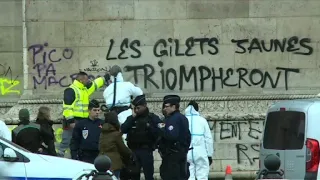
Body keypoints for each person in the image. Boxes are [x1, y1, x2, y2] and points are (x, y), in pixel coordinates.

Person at [58, 71, 109, 157]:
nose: (88, 81)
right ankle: (58, 158)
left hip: (83, 121)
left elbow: (95, 84)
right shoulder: (71, 90)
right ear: (81, 80)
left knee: (80, 141)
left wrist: (105, 78)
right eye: (86, 79)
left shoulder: (84, 89)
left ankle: (77, 158)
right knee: (67, 141)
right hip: (73, 121)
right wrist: (71, 121)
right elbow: (67, 107)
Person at [121, 94, 162, 180]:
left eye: (138, 108)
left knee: (148, 175)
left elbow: (159, 133)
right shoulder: (132, 118)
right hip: (133, 151)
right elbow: (123, 129)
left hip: (146, 151)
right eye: (135, 108)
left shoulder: (152, 118)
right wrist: (132, 118)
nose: (136, 110)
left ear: (145, 105)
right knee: (134, 175)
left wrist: (149, 127)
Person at [158, 95, 191, 180]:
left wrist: (161, 129)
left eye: (166, 106)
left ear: (174, 106)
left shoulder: (173, 119)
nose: (165, 109)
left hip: (172, 156)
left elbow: (171, 136)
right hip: (181, 154)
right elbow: (188, 136)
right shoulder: (182, 118)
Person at [185, 100, 213, 180]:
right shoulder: (202, 120)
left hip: (187, 152)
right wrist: (209, 155)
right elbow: (208, 139)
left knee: (189, 176)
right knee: (202, 176)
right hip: (200, 151)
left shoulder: (184, 119)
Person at [70, 99, 104, 164]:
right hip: (85, 155)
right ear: (89, 111)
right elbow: (75, 140)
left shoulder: (103, 124)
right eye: (94, 110)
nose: (97, 112)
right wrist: (74, 155)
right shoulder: (81, 124)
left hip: (99, 154)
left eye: (98, 110)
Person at [99, 112, 132, 179]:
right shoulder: (116, 134)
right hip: (114, 164)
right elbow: (123, 150)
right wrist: (131, 154)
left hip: (102, 162)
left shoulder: (102, 133)